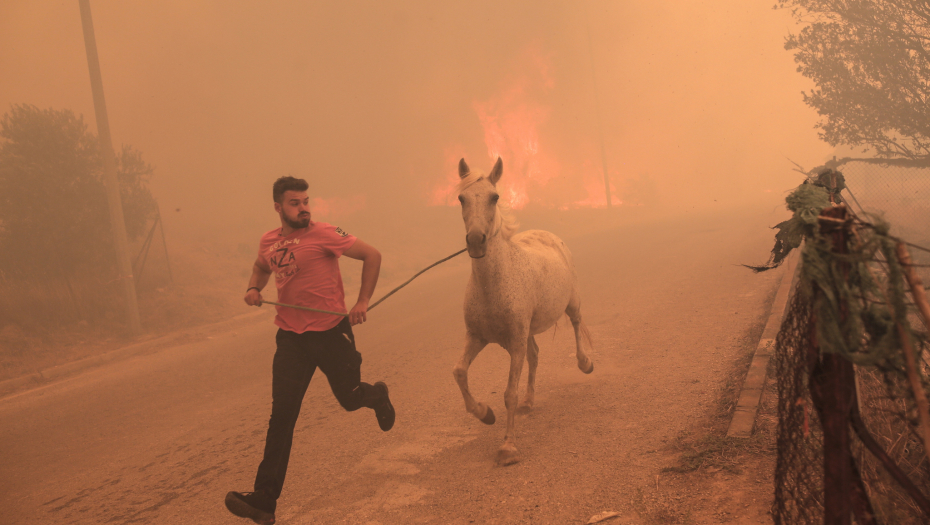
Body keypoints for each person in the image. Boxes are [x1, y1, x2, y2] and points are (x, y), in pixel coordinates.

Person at [225, 176, 394, 525]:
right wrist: (253, 288)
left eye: (305, 201)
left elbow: (372, 255)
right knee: (282, 416)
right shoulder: (269, 241)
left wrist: (362, 301)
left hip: (332, 333)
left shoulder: (325, 233)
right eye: (294, 203)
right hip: (291, 337)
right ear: (278, 208)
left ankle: (376, 395)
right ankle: (264, 501)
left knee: (349, 399)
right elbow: (260, 267)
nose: (303, 208)